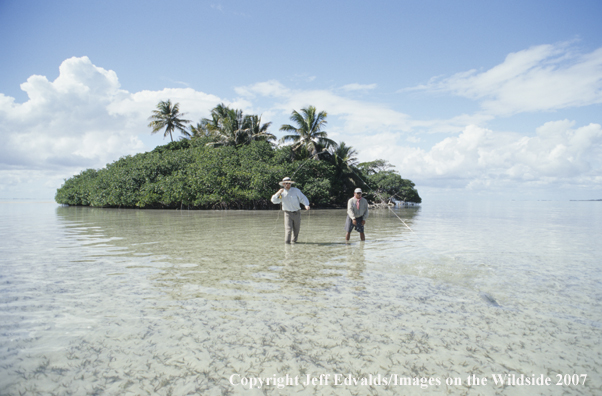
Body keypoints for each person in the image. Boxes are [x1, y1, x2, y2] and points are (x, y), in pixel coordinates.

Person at [271, 177, 310, 243]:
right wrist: (278, 193)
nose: (288, 184)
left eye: (289, 183)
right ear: (283, 184)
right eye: (286, 183)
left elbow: (303, 198)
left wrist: (306, 204)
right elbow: (274, 201)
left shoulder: (296, 190)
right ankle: (287, 244)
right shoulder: (281, 192)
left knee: (296, 230)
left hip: (297, 213)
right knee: (288, 230)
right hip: (287, 213)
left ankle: (294, 244)